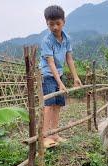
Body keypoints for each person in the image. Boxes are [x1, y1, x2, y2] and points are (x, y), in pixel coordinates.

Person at [39, 5, 82, 148]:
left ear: (64, 22)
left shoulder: (67, 39)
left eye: (58, 23)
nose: (55, 27)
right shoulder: (47, 41)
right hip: (48, 75)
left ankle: (54, 134)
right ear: (47, 24)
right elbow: (50, 63)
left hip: (59, 74)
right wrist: (60, 82)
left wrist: (75, 77)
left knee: (57, 104)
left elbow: (69, 59)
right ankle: (44, 137)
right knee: (49, 105)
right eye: (51, 24)